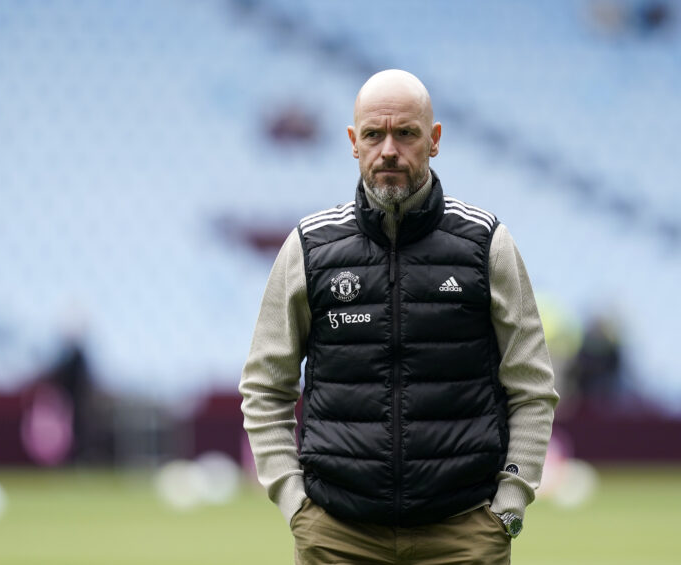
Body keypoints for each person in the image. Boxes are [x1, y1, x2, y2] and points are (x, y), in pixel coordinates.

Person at [239, 69, 558, 565]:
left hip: (462, 534)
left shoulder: (486, 243)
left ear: (433, 140)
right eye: (373, 134)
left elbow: (532, 386)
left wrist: (510, 506)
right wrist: (295, 504)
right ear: (353, 142)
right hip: (337, 536)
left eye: (405, 133)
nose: (389, 149)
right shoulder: (309, 247)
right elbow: (264, 387)